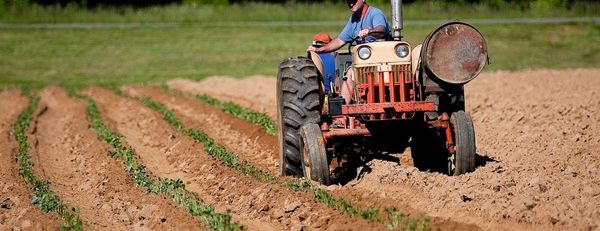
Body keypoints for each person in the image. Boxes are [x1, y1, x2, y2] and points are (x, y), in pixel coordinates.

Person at [307, 0, 391, 104]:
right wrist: (318, 50)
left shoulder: (375, 13)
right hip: (364, 62)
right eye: (348, 1)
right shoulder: (354, 19)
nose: (351, 3)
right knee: (349, 74)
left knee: (351, 72)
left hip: (384, 60)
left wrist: (370, 32)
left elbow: (381, 30)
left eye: (354, 0)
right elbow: (339, 41)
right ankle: (343, 112)